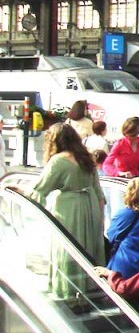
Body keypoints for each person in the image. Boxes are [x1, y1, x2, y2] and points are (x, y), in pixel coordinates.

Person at [28, 124, 105, 305]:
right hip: (90, 204)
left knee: (66, 249)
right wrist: (99, 220)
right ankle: (88, 291)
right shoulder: (85, 157)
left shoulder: (58, 161)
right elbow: (99, 193)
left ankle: (68, 292)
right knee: (87, 248)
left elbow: (40, 189)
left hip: (69, 208)